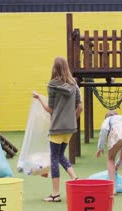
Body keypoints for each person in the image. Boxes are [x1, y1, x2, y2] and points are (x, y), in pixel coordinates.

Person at [32, 56, 83, 202]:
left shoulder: (52, 85)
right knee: (60, 155)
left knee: (54, 157)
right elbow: (80, 107)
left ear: (54, 68)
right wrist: (73, 119)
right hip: (70, 128)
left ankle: (55, 194)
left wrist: (39, 97)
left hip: (57, 128)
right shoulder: (74, 85)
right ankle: (74, 178)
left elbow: (50, 109)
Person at [96, 110, 122, 195]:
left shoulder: (108, 120)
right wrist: (117, 165)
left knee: (110, 158)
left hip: (118, 132)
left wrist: (100, 147)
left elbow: (104, 130)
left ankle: (113, 188)